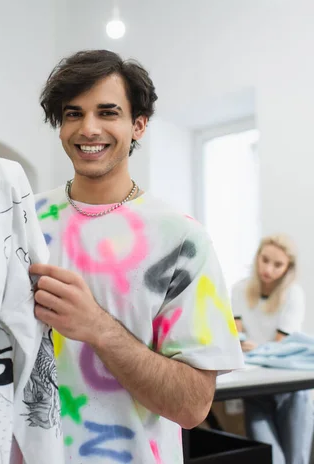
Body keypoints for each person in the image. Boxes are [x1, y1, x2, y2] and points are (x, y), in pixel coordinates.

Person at [30, 49, 244, 464]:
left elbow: (192, 406)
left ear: (138, 125)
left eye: (107, 113)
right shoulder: (23, 221)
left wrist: (98, 328)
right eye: (73, 114)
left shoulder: (181, 238)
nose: (88, 128)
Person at [232, 235, 314, 464]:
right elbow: (237, 337)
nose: (268, 269)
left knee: (296, 459)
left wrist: (256, 348)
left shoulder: (293, 295)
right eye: (264, 259)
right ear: (257, 256)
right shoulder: (239, 290)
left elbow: (282, 348)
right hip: (255, 390)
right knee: (270, 459)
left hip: (291, 391)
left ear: (288, 268)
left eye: (277, 264)